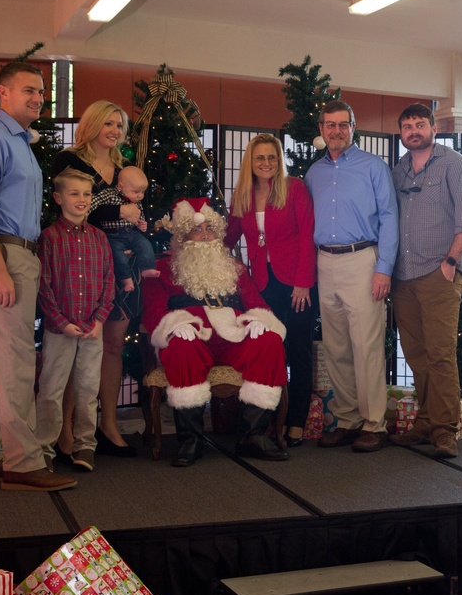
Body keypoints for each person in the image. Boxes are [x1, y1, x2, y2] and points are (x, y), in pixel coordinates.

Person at [0, 61, 77, 491]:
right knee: (18, 360)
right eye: (28, 90)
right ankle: (23, 464)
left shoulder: (21, 143)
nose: (37, 98)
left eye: (41, 92)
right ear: (3, 93)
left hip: (19, 254)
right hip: (1, 253)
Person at [142, 198, 291, 467]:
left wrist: (259, 319)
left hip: (233, 336)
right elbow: (153, 311)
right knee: (181, 346)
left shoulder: (233, 267)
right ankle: (191, 439)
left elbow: (257, 303)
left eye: (210, 229)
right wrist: (175, 324)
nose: (205, 236)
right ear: (183, 235)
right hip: (193, 336)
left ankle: (252, 435)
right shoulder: (162, 268)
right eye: (197, 230)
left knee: (269, 341)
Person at [388, 104, 462, 458]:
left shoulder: (454, 165)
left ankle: (446, 429)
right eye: (407, 125)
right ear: (401, 133)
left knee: (441, 354)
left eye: (420, 124)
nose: (413, 130)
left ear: (433, 128)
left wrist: (450, 262)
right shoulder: (397, 172)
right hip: (403, 276)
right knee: (416, 354)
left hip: (437, 274)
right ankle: (425, 420)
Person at [305, 100, 398, 452]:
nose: (336, 131)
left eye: (343, 124)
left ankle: (374, 423)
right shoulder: (313, 174)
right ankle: (346, 418)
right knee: (336, 346)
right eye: (330, 125)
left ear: (353, 127)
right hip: (324, 263)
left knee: (367, 346)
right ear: (322, 128)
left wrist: (383, 269)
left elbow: (389, 217)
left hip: (363, 260)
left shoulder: (373, 167)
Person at [50, 100, 139, 459]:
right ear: (92, 124)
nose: (115, 131)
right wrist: (118, 210)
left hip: (124, 268)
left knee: (113, 347)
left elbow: (138, 204)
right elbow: (68, 206)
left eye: (120, 125)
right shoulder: (68, 161)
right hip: (80, 266)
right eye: (108, 123)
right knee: (77, 349)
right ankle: (66, 430)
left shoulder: (123, 167)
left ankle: (108, 425)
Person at [226, 134, 316, 447]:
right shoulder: (243, 196)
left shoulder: (295, 189)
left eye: (272, 158)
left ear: (279, 160)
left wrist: (304, 281)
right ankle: (268, 419)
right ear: (250, 162)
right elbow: (227, 238)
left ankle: (296, 423)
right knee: (269, 352)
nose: (266, 164)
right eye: (260, 158)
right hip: (262, 287)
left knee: (299, 351)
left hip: (296, 284)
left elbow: (307, 236)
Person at [35, 169, 115, 473]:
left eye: (86, 194)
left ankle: (85, 446)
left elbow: (109, 282)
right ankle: (44, 448)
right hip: (60, 328)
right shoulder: (49, 238)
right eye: (74, 194)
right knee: (51, 389)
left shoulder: (100, 238)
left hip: (93, 329)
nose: (81, 200)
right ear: (58, 198)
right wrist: (60, 321)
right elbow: (44, 285)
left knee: (87, 388)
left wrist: (99, 320)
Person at [90, 165, 160, 292]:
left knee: (145, 245)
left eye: (142, 192)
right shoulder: (109, 194)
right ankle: (126, 278)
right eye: (136, 192)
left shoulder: (135, 200)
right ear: (121, 186)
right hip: (113, 235)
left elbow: (140, 215)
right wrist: (85, 209)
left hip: (132, 233)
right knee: (118, 256)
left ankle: (147, 268)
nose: (139, 196)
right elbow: (94, 202)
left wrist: (141, 224)